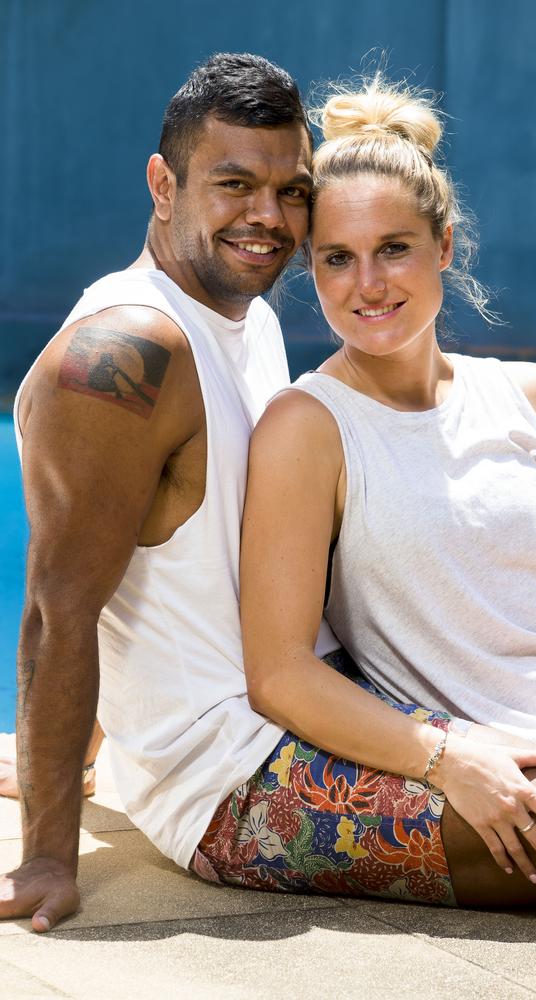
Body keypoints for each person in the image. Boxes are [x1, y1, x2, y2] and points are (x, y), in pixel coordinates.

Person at [226, 78, 536, 915]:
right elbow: (277, 672)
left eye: (395, 248)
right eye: (337, 258)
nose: (367, 284)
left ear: (445, 245)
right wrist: (446, 757)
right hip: (523, 771)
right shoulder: (308, 428)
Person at [0, 51, 324, 932]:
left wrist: (67, 752)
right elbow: (60, 609)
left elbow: (160, 576)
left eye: (292, 190)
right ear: (162, 184)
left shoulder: (246, 317)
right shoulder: (125, 353)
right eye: (233, 185)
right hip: (233, 781)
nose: (268, 218)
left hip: (302, 715)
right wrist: (44, 857)